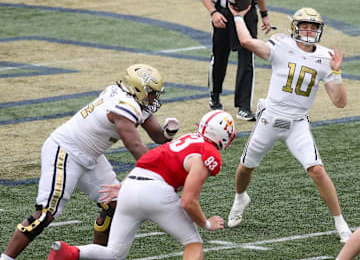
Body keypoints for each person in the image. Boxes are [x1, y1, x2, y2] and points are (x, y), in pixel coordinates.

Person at [0, 63, 180, 260]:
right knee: (46, 213)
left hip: (90, 156)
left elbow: (158, 137)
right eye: (151, 93)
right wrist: (163, 173)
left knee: (116, 204)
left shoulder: (130, 99)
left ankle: (95, 256)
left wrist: (168, 132)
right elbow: (136, 147)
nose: (154, 98)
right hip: (65, 150)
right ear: (137, 89)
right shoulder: (123, 106)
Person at [226, 3, 352, 243]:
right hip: (270, 117)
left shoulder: (326, 57)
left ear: (319, 29)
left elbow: (339, 102)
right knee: (245, 168)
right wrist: (239, 17)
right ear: (295, 27)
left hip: (297, 123)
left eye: (312, 26)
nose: (308, 30)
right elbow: (247, 42)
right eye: (304, 25)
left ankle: (340, 222)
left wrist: (336, 73)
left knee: (317, 170)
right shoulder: (281, 44)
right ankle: (240, 198)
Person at [46, 110, 236, 260]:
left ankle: (68, 252)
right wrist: (206, 223)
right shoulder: (207, 153)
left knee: (114, 254)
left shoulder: (187, 139)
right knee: (193, 242)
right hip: (156, 192)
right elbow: (188, 201)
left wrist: (125, 186)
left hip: (131, 185)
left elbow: (150, 160)